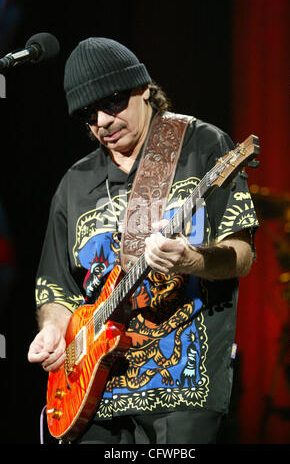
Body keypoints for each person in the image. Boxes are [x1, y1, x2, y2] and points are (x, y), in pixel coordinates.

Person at [27, 37, 259, 444]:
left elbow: (241, 255)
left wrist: (190, 259)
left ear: (145, 88)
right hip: (92, 393)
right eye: (88, 113)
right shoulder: (73, 183)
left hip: (184, 386)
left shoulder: (203, 146)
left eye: (113, 102)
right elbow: (55, 289)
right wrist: (51, 330)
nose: (102, 121)